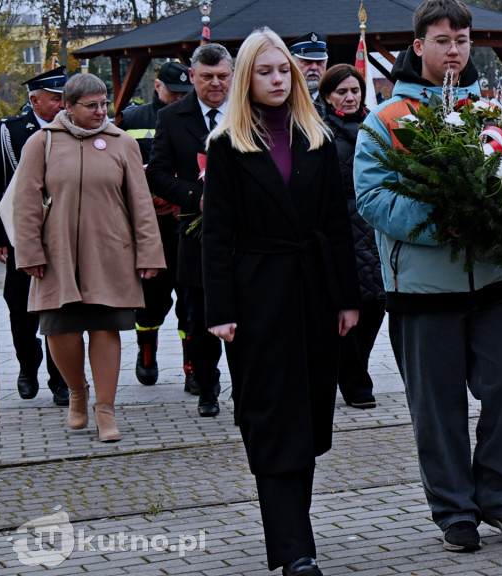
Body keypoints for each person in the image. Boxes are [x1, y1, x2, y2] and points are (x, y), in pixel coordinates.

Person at [355, 0, 502, 552]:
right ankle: (454, 510)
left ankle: (501, 499)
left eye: (462, 39)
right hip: (422, 287)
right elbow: (372, 197)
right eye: (442, 40)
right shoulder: (386, 119)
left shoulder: (496, 114)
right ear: (419, 47)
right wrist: (445, 222)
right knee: (437, 410)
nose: (454, 49)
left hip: (496, 282)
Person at [202, 27, 359, 576]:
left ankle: (298, 536)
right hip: (256, 295)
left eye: (282, 71)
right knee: (271, 417)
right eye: (264, 71)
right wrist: (218, 308)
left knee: (310, 414)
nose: (276, 79)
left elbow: (337, 224)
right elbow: (216, 233)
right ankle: (294, 550)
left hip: (314, 289)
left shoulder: (316, 137)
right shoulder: (226, 145)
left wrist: (347, 297)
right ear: (247, 78)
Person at [12, 73, 165, 442]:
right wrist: (29, 251)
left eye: (103, 105)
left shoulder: (122, 142)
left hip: (109, 253)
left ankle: (105, 410)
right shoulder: (41, 143)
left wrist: (149, 254)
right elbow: (26, 201)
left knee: (105, 326)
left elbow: (140, 204)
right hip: (57, 254)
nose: (101, 112)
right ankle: (77, 393)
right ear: (69, 106)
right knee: (60, 330)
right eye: (91, 106)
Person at [146, 43, 233, 418]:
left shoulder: (250, 112)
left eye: (223, 77)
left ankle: (246, 385)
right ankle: (207, 387)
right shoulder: (171, 117)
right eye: (207, 77)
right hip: (195, 234)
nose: (215, 84)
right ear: (193, 78)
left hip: (245, 235)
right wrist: (196, 197)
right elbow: (159, 173)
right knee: (197, 317)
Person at [117, 61, 195, 390]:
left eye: (184, 94)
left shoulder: (196, 118)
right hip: (150, 228)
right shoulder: (131, 120)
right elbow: (120, 172)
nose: (179, 98)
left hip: (188, 223)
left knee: (192, 300)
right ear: (157, 85)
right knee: (151, 300)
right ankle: (146, 353)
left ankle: (194, 366)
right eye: (174, 92)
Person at [0, 67, 70, 406]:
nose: (62, 105)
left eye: (65, 98)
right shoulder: (8, 134)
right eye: (56, 99)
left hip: (66, 236)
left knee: (63, 309)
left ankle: (61, 379)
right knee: (21, 307)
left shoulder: (77, 130)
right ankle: (28, 366)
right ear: (34, 101)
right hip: (20, 235)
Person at [320, 64, 385, 409]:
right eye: (342, 91)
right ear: (328, 96)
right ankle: (356, 382)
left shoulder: (376, 124)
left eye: (355, 90)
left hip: (374, 223)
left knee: (376, 303)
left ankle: (349, 370)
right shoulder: (318, 131)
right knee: (347, 304)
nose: (349, 97)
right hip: (339, 223)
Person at [288, 32, 328, 103]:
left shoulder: (336, 100)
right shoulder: (282, 100)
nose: (314, 67)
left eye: (320, 62)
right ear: (292, 64)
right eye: (307, 61)